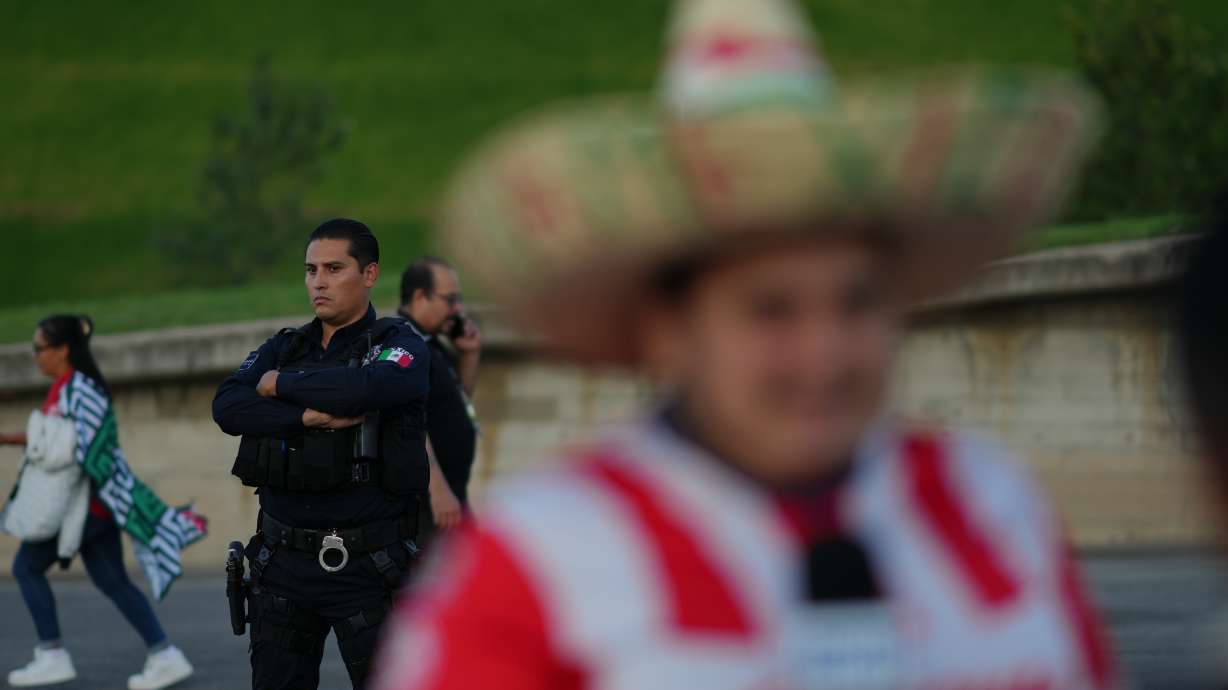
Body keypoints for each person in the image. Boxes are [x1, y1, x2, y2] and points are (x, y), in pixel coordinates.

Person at [373, 1, 1116, 689]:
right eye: (771, 311)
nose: (824, 354)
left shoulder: (989, 503)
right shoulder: (533, 568)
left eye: (857, 303)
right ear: (668, 329)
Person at [212, 218, 431, 690]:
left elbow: (373, 385)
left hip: (369, 567)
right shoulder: (286, 345)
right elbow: (228, 405)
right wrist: (304, 417)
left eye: (334, 268)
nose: (319, 282)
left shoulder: (397, 344)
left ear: (369, 274)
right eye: (311, 270)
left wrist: (282, 386)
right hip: (282, 566)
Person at [1, 315, 201, 690]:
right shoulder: (70, 387)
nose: (34, 356)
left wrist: (23, 441)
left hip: (85, 505)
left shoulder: (79, 390)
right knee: (112, 580)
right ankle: (165, 655)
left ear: (62, 350)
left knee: (26, 567)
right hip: (96, 506)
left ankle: (52, 654)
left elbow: (77, 451)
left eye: (39, 348)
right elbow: (61, 441)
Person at [397, 257, 481, 540]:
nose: (457, 309)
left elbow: (456, 403)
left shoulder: (430, 343)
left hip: (451, 494)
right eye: (450, 300)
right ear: (421, 296)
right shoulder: (405, 344)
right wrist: (437, 489)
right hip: (430, 504)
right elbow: (405, 417)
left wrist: (469, 354)